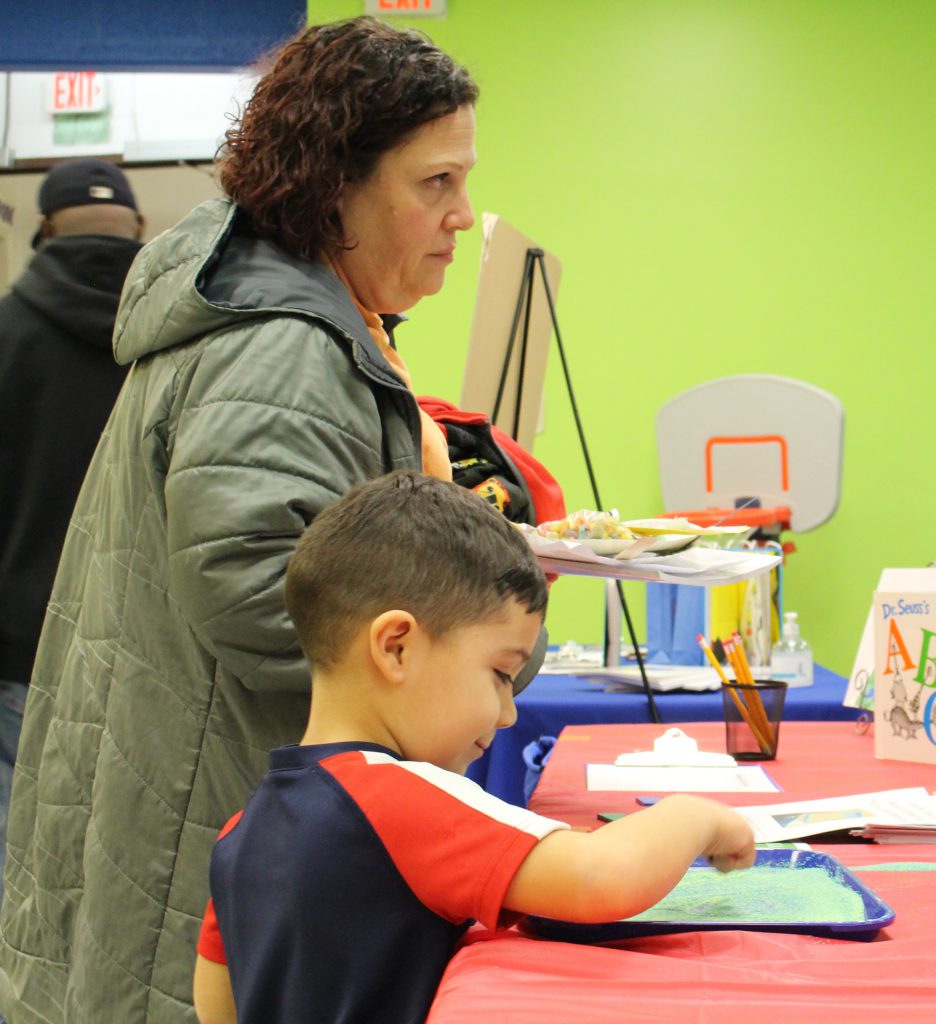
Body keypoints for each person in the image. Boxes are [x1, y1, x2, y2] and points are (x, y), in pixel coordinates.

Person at [0, 18, 501, 1023]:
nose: (461, 215)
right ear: (336, 187)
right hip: (204, 830)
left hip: (191, 811)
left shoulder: (288, 321)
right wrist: (474, 631)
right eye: (434, 183)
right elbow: (265, 596)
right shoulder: (281, 347)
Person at [190, 472, 754, 1024]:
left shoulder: (241, 832)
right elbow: (601, 877)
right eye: (501, 674)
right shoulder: (399, 799)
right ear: (396, 647)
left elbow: (216, 1006)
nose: (508, 714)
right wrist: (696, 817)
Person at [0, 159, 144, 882]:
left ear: (42, 231)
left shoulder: (6, 332)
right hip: (144, 655)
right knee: (124, 873)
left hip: (19, 655)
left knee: (17, 867)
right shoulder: (173, 340)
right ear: (140, 229)